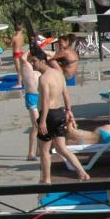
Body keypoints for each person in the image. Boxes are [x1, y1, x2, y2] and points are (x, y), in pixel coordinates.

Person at [29, 46, 89, 183]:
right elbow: (65, 94)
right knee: (62, 149)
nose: (32, 64)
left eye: (34, 61)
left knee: (44, 150)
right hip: (59, 113)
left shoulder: (43, 78)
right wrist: (69, 111)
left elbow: (45, 101)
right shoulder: (58, 74)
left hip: (49, 115)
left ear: (41, 60)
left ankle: (46, 180)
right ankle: (83, 173)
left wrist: (42, 121)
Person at [19, 52, 42, 160]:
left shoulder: (37, 67)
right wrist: (31, 48)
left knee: (41, 125)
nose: (33, 61)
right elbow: (22, 58)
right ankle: (30, 153)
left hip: (40, 96)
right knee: (36, 125)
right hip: (32, 97)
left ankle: (38, 150)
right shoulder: (26, 66)